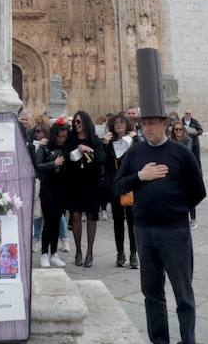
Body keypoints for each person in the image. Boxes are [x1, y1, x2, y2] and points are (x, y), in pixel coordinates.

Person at [112, 49, 206, 344]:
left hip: (174, 230)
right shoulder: (135, 152)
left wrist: (176, 207)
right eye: (143, 124)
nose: (147, 128)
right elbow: (117, 185)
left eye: (152, 123)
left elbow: (198, 191)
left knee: (183, 295)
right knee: (152, 293)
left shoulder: (180, 153)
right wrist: (141, 177)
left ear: (165, 124)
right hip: (144, 229)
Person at [64, 110, 106, 268]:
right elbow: (67, 157)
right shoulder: (70, 139)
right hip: (75, 182)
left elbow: (102, 158)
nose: (76, 124)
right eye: (75, 122)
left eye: (79, 122)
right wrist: (77, 150)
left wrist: (89, 150)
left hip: (91, 182)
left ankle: (89, 251)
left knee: (91, 216)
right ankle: (78, 251)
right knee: (75, 215)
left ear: (86, 123)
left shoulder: (94, 139)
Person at [106, 115, 138, 268]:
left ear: (127, 125)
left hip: (130, 185)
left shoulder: (132, 141)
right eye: (116, 123)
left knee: (132, 221)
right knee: (118, 220)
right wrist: (104, 144)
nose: (118, 125)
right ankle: (120, 253)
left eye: (121, 122)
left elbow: (141, 155)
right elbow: (103, 161)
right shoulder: (110, 142)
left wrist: (136, 138)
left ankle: (133, 254)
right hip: (116, 185)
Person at [35, 122, 69, 268]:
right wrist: (54, 164)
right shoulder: (45, 147)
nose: (62, 139)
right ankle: (44, 254)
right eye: (60, 136)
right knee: (49, 221)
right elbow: (37, 166)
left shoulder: (66, 147)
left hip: (62, 188)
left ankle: (54, 253)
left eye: (64, 136)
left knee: (56, 221)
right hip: (47, 188)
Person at [169, 117, 200, 230]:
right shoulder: (170, 140)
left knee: (189, 196)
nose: (178, 132)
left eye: (180, 129)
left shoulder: (188, 140)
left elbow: (186, 153)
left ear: (183, 130)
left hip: (186, 172)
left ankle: (193, 219)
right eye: (176, 130)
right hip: (174, 172)